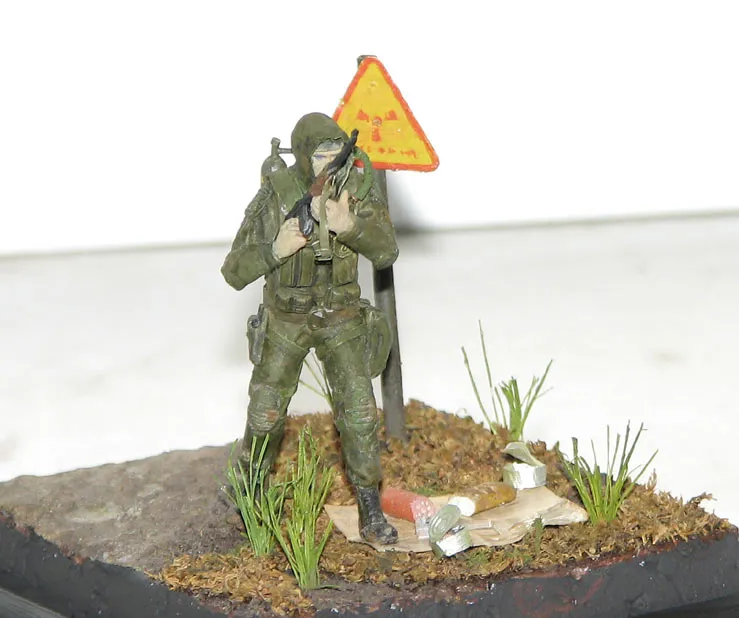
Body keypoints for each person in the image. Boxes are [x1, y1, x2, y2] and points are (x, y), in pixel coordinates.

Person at [221, 112, 399, 544]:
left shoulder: (355, 188)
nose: (329, 163)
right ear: (302, 157)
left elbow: (387, 251)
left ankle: (370, 508)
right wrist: (275, 249)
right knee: (265, 411)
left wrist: (350, 225)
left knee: (360, 413)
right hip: (287, 318)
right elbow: (233, 270)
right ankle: (248, 488)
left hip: (341, 316)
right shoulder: (277, 195)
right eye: (320, 155)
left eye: (337, 153)